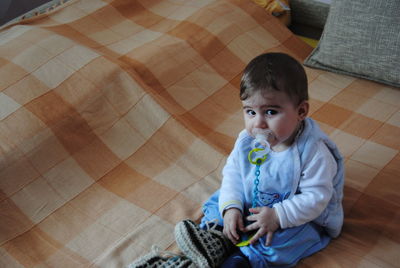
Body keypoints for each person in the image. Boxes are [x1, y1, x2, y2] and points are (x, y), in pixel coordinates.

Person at [128, 52, 344, 268]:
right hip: (256, 203)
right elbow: (234, 175)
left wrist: (279, 215)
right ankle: (214, 240)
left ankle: (240, 261)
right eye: (250, 112)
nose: (258, 124)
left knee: (281, 241)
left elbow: (316, 197)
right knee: (219, 201)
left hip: (295, 213)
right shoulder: (247, 141)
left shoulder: (313, 152)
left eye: (270, 112)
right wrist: (232, 208)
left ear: (301, 111)